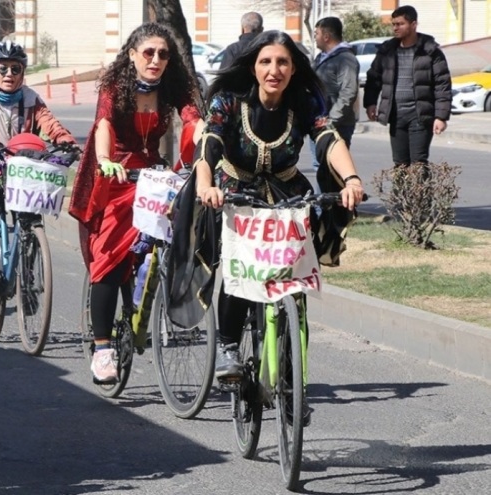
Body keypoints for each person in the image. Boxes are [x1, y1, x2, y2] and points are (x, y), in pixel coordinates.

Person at [194, 30, 366, 424]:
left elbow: (328, 138)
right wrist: (206, 185)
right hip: (235, 193)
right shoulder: (228, 100)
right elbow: (210, 145)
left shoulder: (303, 102)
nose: (275, 70)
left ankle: (292, 385)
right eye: (266, 62)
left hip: (288, 193)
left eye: (283, 62)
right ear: (253, 66)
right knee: (242, 269)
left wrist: (352, 180)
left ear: (293, 68)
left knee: (296, 285)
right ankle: (227, 347)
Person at [68, 22, 202, 384]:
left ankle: (147, 303)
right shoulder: (115, 86)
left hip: (153, 177)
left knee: (175, 238)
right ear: (132, 54)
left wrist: (203, 153)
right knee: (109, 260)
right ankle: (102, 348)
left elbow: (194, 121)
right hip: (115, 175)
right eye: (149, 53)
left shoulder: (175, 85)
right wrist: (105, 158)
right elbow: (104, 124)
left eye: (163, 54)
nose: (156, 60)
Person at [0, 40, 76, 273]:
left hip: (23, 160)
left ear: (23, 72)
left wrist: (66, 141)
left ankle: (30, 259)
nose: (9, 74)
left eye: (16, 69)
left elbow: (49, 122)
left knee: (31, 208)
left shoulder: (32, 99)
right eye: (3, 69)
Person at [364, 5, 451, 168]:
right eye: (394, 24)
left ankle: (420, 195)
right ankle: (401, 195)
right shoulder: (387, 50)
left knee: (418, 163)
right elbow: (373, 78)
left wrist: (441, 116)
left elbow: (442, 84)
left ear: (413, 25)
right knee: (400, 164)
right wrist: (370, 103)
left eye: (400, 24)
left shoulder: (430, 51)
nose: (395, 28)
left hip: (420, 115)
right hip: (396, 115)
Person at [309, 16, 359, 178]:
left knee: (334, 170)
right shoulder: (320, 57)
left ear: (326, 36)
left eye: (316, 33)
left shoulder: (346, 59)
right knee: (320, 166)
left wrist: (331, 119)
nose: (314, 37)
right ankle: (322, 204)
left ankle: (338, 203)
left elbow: (348, 92)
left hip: (337, 124)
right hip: (317, 121)